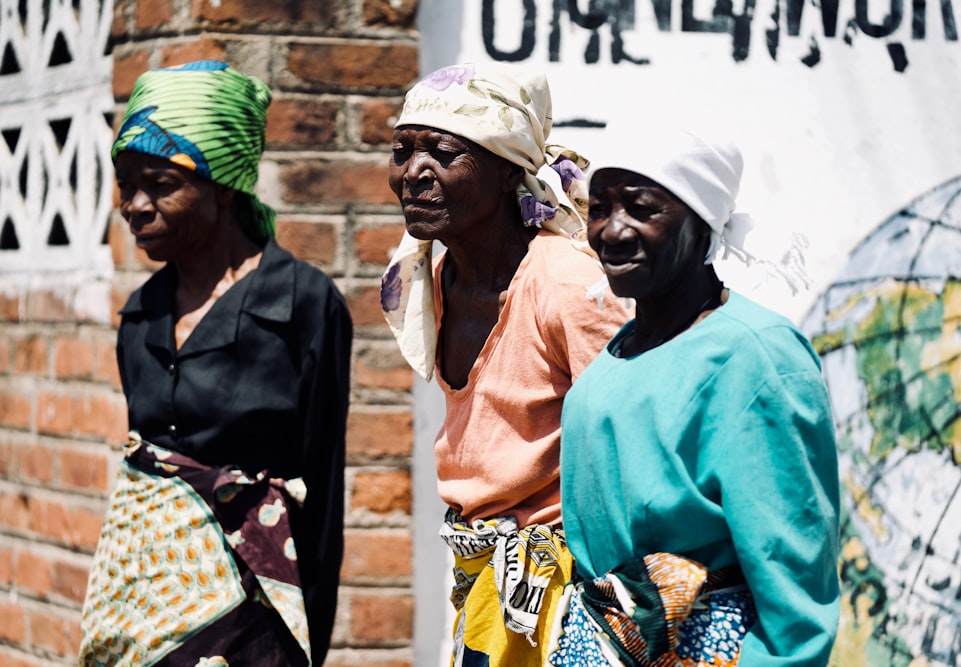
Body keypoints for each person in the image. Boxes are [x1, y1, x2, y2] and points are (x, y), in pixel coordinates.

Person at [79, 60, 352, 666]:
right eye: (126, 184)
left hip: (251, 627)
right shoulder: (142, 314)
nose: (135, 206)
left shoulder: (300, 305)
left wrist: (311, 645)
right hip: (144, 620)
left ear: (223, 184)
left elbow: (323, 495)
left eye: (160, 182)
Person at [551, 123, 840, 666]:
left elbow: (796, 584)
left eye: (641, 209)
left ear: (701, 221)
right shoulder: (615, 357)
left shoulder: (757, 356)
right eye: (600, 208)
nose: (612, 232)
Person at [379, 63, 631, 666]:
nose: (414, 174)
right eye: (402, 151)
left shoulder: (567, 285)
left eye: (442, 153)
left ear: (504, 171)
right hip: (488, 579)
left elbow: (632, 445)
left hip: (572, 600)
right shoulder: (437, 280)